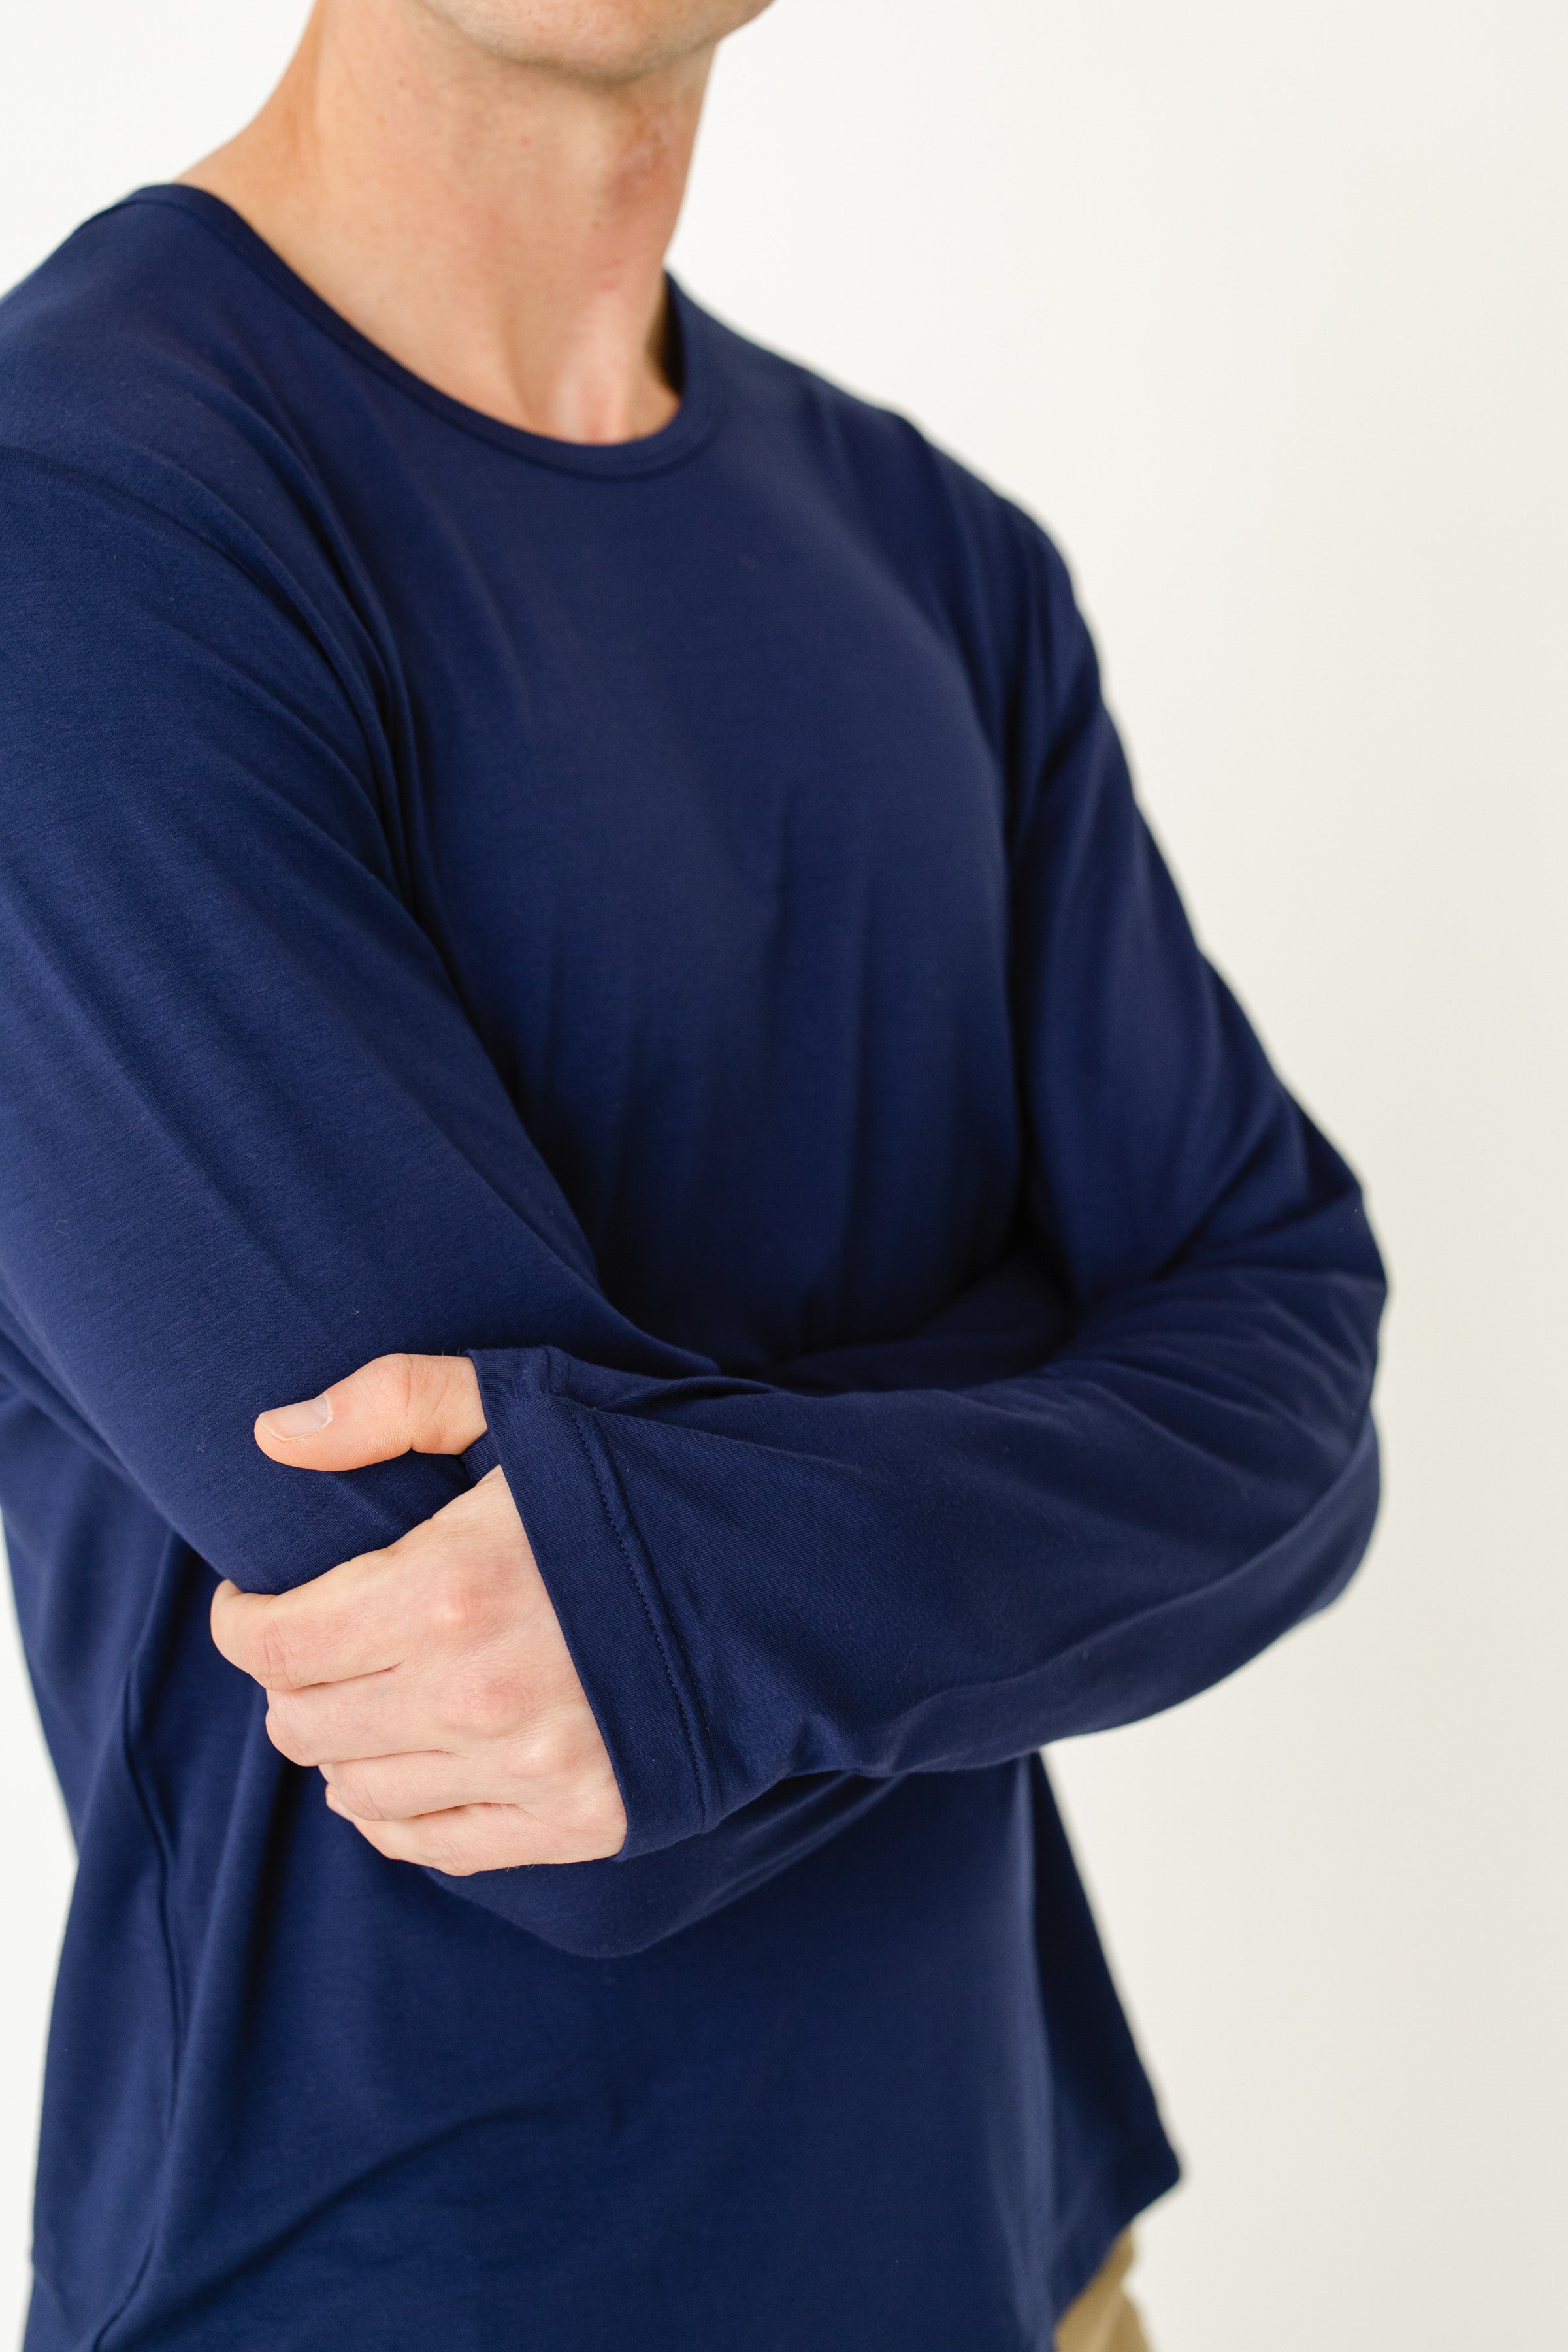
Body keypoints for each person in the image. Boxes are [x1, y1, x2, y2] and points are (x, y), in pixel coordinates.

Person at [0, 1, 1384, 2345]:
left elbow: (1301, 1385)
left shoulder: (940, 553)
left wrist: (683, 1572)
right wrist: (1058, 1395)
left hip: (1031, 2254)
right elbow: (521, 1748)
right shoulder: (82, 524)